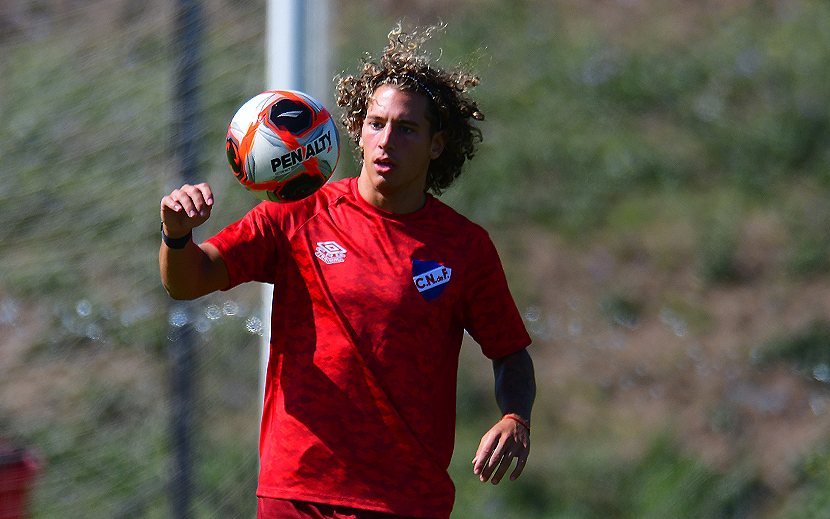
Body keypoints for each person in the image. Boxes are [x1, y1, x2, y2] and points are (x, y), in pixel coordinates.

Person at [159, 23, 536, 519]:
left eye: (406, 129)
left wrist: (515, 416)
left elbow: (510, 352)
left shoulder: (464, 247)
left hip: (404, 499)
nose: (386, 141)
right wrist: (176, 236)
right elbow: (188, 280)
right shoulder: (295, 215)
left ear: (437, 144)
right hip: (298, 490)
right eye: (376, 123)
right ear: (358, 129)